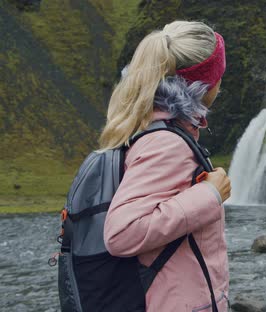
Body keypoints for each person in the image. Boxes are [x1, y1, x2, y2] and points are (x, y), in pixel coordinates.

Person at [99, 21, 231, 312]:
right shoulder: (166, 143)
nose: (222, 82)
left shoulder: (150, 126)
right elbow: (121, 233)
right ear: (205, 84)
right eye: (219, 74)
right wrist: (210, 195)